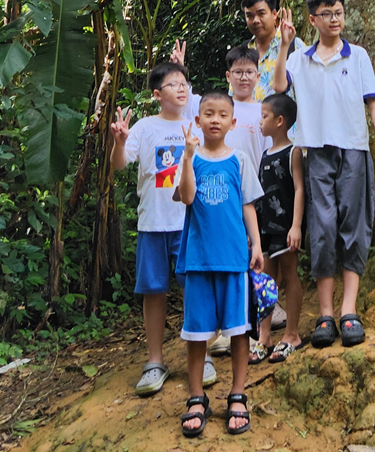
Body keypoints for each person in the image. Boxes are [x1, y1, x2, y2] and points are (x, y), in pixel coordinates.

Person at [272, 0, 375, 349]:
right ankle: (324, 313)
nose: (335, 19)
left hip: (354, 148)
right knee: (322, 229)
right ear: (313, 20)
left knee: (354, 224)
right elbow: (279, 88)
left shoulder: (357, 57)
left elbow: (374, 102)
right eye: (327, 14)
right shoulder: (300, 59)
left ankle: (348, 309)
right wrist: (283, 46)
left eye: (338, 12)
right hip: (316, 153)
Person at [109, 61, 217, 394]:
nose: (182, 88)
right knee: (153, 292)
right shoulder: (144, 127)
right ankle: (155, 361)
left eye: (185, 82)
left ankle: (203, 354)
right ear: (157, 94)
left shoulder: (196, 126)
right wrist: (119, 141)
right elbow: (119, 165)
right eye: (173, 84)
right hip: (153, 223)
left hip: (189, 223)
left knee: (194, 288)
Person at [174, 92, 264, 438]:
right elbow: (186, 197)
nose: (215, 120)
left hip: (233, 260)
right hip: (198, 260)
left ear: (233, 122)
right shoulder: (192, 159)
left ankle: (237, 394)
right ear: (197, 120)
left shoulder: (239, 159)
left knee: (238, 331)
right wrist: (187, 155)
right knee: (196, 334)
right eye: (208, 114)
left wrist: (256, 245)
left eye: (222, 115)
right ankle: (197, 397)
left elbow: (247, 207)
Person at [251, 92, 305, 363]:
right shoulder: (264, 154)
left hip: (286, 228)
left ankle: (292, 333)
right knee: (265, 280)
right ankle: (264, 336)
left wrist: (296, 226)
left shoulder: (293, 152)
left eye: (264, 116)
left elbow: (299, 189)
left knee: (290, 274)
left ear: (280, 121)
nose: (260, 121)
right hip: (265, 228)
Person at [240, 0, 304, 100]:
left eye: (261, 14)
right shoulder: (244, 50)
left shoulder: (294, 46)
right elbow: (235, 96)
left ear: (274, 14)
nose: (255, 20)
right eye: (250, 16)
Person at [225, 45, 271, 169]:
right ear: (228, 76)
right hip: (223, 181)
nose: (244, 77)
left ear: (258, 77)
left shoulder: (264, 112)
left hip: (255, 182)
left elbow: (269, 152)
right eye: (238, 72)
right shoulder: (221, 110)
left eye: (249, 72)